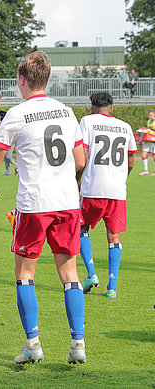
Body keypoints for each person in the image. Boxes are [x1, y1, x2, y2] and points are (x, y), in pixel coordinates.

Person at [0, 50, 87, 364]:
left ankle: (33, 344)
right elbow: (80, 160)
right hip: (67, 202)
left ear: (21, 80)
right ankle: (77, 344)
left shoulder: (16, 114)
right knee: (70, 274)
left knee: (25, 274)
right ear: (46, 78)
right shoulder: (66, 112)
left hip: (33, 204)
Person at [77, 92, 137, 299]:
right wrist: (122, 179)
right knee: (114, 236)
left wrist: (76, 178)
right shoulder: (125, 126)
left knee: (81, 228)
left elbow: (82, 156)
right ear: (111, 108)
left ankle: (91, 274)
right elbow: (130, 161)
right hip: (117, 191)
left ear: (92, 108)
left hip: (93, 187)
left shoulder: (87, 121)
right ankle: (112, 287)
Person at [138, 110, 155, 175]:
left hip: (153, 141)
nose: (149, 116)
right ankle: (146, 171)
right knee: (143, 154)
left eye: (151, 115)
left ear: (154, 115)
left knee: (154, 156)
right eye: (149, 115)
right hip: (148, 140)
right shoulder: (148, 121)